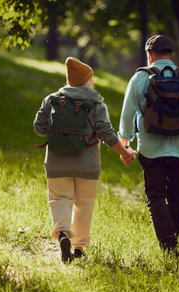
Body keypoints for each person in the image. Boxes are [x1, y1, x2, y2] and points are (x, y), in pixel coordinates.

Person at [34, 57, 136, 263]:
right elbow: (106, 134)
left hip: (56, 162)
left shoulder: (52, 99)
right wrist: (124, 152)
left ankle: (63, 233)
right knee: (84, 204)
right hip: (87, 165)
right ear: (88, 80)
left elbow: (38, 128)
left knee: (60, 199)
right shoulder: (97, 103)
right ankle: (78, 247)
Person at [118, 35, 179, 253]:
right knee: (177, 199)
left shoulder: (140, 78)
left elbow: (127, 115)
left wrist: (125, 144)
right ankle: (171, 242)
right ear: (172, 55)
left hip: (151, 149)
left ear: (149, 55)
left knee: (156, 197)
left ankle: (169, 246)